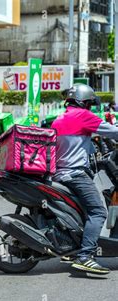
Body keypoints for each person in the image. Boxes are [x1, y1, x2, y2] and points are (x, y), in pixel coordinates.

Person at [52, 84, 118, 274]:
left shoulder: (60, 117)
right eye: (89, 103)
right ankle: (85, 256)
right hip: (75, 174)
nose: (90, 107)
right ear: (84, 102)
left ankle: (72, 249)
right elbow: (113, 132)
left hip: (60, 173)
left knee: (83, 211)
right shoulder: (83, 116)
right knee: (98, 211)